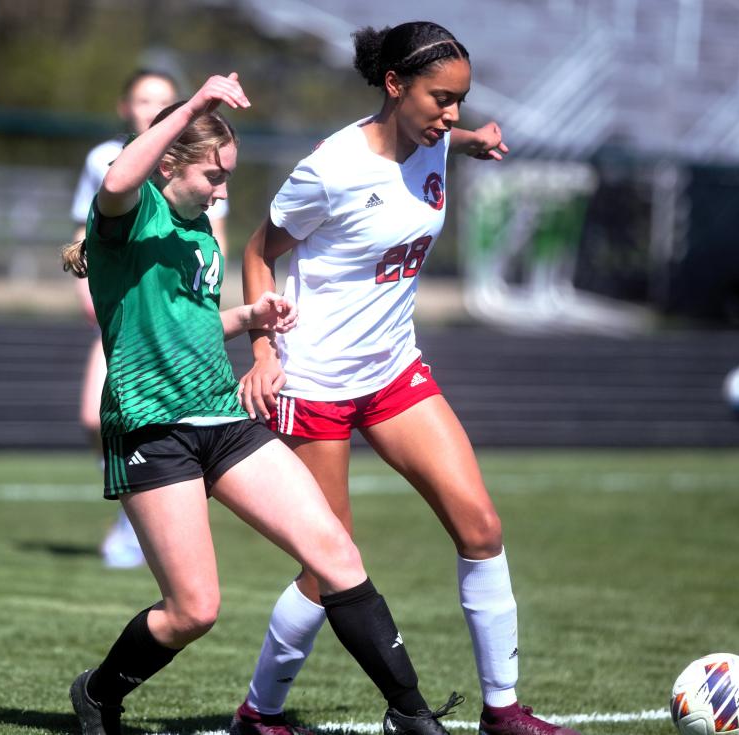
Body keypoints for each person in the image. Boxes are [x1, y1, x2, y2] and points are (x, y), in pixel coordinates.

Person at [61, 72, 460, 735]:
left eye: (229, 180)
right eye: (213, 177)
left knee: (336, 553)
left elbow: (189, 324)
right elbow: (114, 180)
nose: (223, 192)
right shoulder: (129, 219)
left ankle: (411, 713)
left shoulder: (196, 238)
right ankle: (98, 694)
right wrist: (193, 105)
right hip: (153, 430)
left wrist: (248, 315)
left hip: (222, 419)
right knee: (193, 609)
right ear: (169, 163)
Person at [235, 22, 580, 735]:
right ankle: (259, 712)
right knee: (328, 565)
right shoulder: (329, 169)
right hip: (315, 382)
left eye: (460, 100)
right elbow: (260, 251)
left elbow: (431, 145)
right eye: (440, 99)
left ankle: (504, 710)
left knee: (480, 525)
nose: (450, 113)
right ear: (395, 86)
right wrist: (265, 354)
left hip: (394, 370)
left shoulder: (432, 142)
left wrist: (471, 140)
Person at [70, 69, 231, 568]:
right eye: (143, 99)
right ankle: (136, 507)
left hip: (173, 316)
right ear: (125, 107)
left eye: (163, 101)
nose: (150, 108)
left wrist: (219, 300)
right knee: (92, 417)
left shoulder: (198, 175)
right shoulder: (110, 162)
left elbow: (213, 235)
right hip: (125, 312)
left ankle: (143, 513)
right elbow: (97, 213)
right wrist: (84, 279)